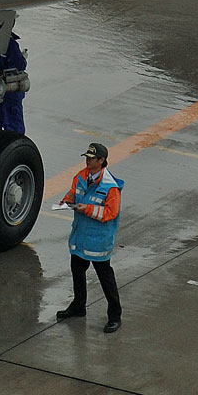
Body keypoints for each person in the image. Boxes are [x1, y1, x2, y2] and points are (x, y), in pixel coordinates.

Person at [56, 142, 123, 332]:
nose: (88, 160)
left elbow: (111, 212)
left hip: (98, 240)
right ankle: (78, 306)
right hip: (80, 236)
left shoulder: (110, 187)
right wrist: (67, 200)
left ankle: (115, 315)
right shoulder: (81, 176)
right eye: (87, 157)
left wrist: (88, 209)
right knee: (77, 270)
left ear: (101, 161)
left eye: (92, 158)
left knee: (105, 277)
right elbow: (74, 192)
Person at [0, 32, 27, 135]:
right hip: (10, 93)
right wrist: (23, 58)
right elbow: (19, 65)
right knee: (14, 128)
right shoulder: (9, 43)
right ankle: (14, 148)